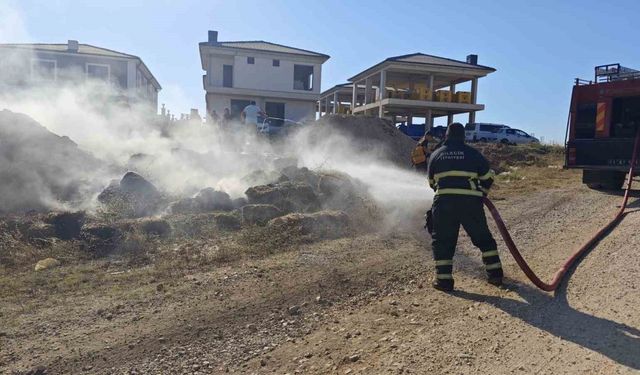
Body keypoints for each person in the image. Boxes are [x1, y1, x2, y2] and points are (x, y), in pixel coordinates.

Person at [426, 122, 503, 292]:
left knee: (443, 241)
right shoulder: (473, 154)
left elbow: (432, 183)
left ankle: (444, 281)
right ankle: (495, 275)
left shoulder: (436, 155)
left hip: (444, 204)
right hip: (470, 204)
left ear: (446, 136)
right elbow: (488, 177)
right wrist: (481, 193)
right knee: (483, 239)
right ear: (463, 137)